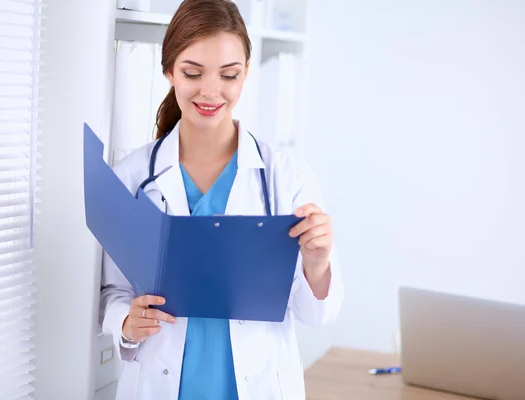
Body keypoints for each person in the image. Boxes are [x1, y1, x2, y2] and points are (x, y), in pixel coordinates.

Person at [99, 0, 343, 399]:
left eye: (228, 75)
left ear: (245, 74)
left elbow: (318, 314)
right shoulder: (132, 177)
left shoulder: (286, 177)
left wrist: (317, 264)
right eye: (193, 73)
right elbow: (112, 291)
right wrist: (125, 322)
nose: (210, 92)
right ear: (169, 72)